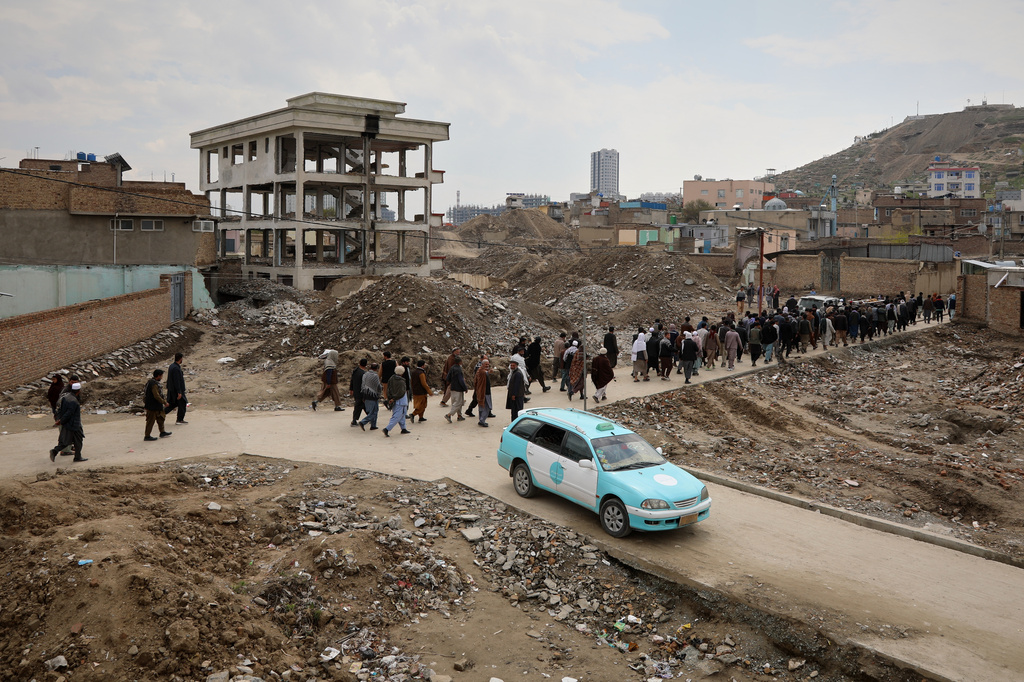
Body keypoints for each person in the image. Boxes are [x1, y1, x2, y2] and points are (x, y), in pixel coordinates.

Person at [50, 381, 86, 462]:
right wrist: (61, 421)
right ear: (79, 391)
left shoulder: (66, 397)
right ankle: (77, 457)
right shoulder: (74, 401)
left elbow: (60, 410)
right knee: (78, 441)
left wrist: (60, 420)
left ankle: (55, 451)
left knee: (65, 441)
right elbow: (69, 413)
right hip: (74, 424)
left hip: (67, 424)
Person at [143, 369, 173, 442]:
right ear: (158, 376)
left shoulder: (153, 383)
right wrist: (164, 402)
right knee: (150, 421)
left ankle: (162, 432)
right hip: (152, 406)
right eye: (161, 376)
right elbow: (156, 395)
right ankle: (147, 436)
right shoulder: (153, 384)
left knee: (161, 418)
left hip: (156, 405)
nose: (162, 377)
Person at [382, 366, 411, 437]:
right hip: (400, 400)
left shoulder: (391, 379)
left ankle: (403, 428)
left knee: (402, 415)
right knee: (397, 416)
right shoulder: (401, 381)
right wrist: (394, 398)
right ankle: (387, 429)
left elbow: (388, 389)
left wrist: (390, 398)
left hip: (394, 399)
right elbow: (401, 392)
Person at [164, 352, 190, 423]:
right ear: (180, 359)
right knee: (182, 404)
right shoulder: (176, 368)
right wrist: (179, 392)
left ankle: (160, 414)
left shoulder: (172, 366)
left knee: (172, 404)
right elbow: (177, 381)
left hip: (172, 389)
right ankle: (180, 419)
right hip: (176, 391)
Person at [358, 363, 382, 431]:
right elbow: (378, 386)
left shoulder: (365, 374)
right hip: (374, 395)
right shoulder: (375, 376)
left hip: (366, 394)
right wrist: (379, 392)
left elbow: (363, 385)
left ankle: (373, 425)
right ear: (376, 368)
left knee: (371, 411)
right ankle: (363, 422)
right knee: (374, 411)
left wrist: (363, 395)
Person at [444, 356, 468, 423]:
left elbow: (448, 378)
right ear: (460, 362)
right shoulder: (459, 369)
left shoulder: (452, 368)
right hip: (458, 388)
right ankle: (449, 414)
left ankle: (459, 416)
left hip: (452, 387)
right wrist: (465, 387)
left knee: (455, 402)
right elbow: (461, 380)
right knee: (458, 402)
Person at [474, 359, 493, 427]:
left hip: (482, 391)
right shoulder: (481, 371)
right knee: (486, 407)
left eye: (488, 364)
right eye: (486, 364)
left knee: (482, 407)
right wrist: (489, 372)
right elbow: (484, 373)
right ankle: (482, 420)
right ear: (482, 365)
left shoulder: (481, 370)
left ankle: (481, 420)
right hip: (484, 392)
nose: (487, 366)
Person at [349, 358, 367, 426]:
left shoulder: (355, 371)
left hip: (356, 391)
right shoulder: (363, 374)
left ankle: (370, 417)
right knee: (359, 406)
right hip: (361, 393)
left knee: (363, 406)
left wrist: (351, 389)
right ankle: (354, 421)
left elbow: (352, 380)